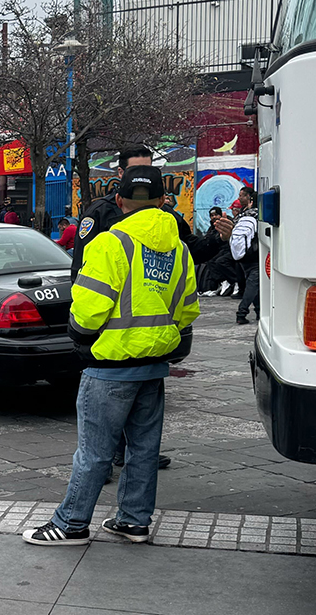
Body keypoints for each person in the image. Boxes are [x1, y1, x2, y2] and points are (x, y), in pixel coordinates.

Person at [22, 166, 199, 546]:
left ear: (119, 201)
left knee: (95, 453)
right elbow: (187, 311)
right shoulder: (180, 250)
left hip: (109, 370)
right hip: (153, 366)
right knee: (144, 450)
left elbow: (87, 313)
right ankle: (134, 521)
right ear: (163, 201)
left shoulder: (110, 244)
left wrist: (80, 336)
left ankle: (70, 524)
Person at [72, 146, 231, 471]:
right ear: (120, 176)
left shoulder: (168, 219)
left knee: (135, 419)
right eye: (136, 171)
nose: (146, 180)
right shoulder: (101, 213)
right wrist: (86, 325)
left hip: (150, 341)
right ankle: (112, 460)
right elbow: (82, 271)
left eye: (151, 172)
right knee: (104, 426)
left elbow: (191, 254)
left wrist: (217, 238)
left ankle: (128, 459)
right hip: (110, 335)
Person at [230, 187, 260, 325]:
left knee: (254, 283)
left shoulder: (241, 215)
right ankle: (241, 312)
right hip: (254, 254)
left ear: (249, 198)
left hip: (242, 254)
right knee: (253, 284)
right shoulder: (257, 213)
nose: (239, 198)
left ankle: (260, 311)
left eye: (242, 195)